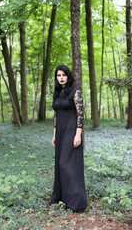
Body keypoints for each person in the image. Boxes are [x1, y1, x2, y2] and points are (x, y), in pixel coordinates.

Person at [51, 64, 87, 213]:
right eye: (58, 75)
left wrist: (78, 134)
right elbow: (56, 115)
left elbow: (80, 114)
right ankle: (61, 198)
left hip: (71, 131)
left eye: (63, 75)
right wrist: (54, 134)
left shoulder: (75, 91)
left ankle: (75, 202)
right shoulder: (57, 93)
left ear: (68, 76)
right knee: (60, 165)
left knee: (65, 163)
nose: (61, 78)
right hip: (59, 132)